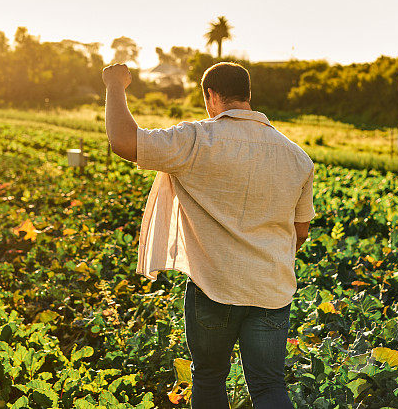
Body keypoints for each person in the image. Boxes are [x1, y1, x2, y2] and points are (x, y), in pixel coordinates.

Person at [102, 61, 315, 409]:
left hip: (213, 288)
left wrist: (115, 84)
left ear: (211, 96)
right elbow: (299, 233)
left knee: (209, 376)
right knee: (269, 387)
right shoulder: (297, 157)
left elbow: (123, 140)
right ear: (248, 96)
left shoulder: (196, 139)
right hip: (271, 290)